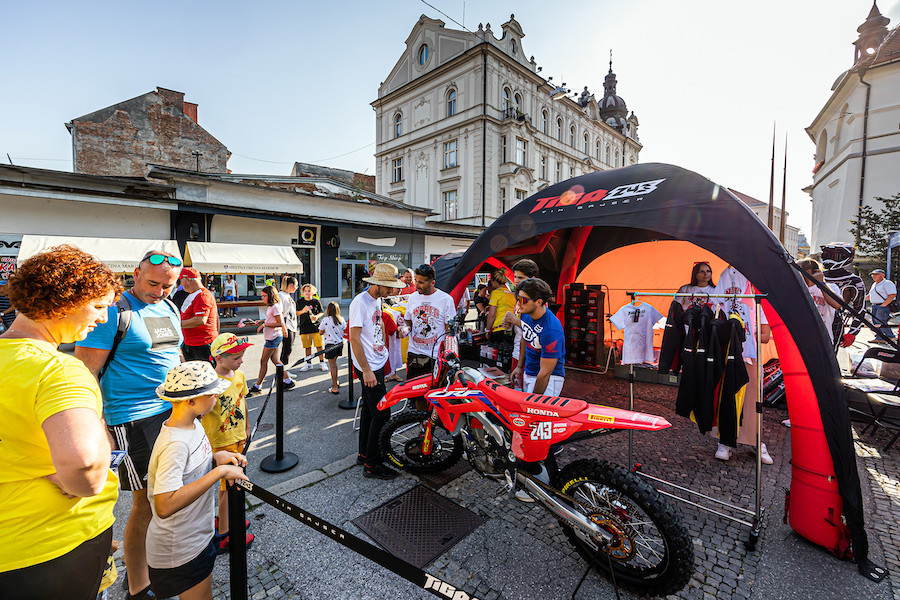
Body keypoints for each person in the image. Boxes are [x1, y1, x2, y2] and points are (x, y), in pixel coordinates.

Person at [0, 245, 120, 600]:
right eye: (98, 306)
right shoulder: (58, 370)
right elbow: (86, 467)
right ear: (65, 300)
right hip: (54, 544)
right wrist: (70, 474)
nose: (103, 318)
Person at [76, 249, 183, 600]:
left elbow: (174, 353)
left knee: (169, 494)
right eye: (153, 284)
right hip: (133, 417)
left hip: (173, 411)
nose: (160, 292)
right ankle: (138, 584)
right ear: (135, 274)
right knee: (146, 504)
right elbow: (85, 374)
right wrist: (98, 425)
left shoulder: (169, 307)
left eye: (167, 286)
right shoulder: (113, 311)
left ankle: (158, 561)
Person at [147, 361, 248, 600]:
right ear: (190, 401)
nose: (217, 397)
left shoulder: (193, 424)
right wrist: (219, 473)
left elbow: (189, 471)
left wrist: (214, 459)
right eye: (211, 394)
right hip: (181, 549)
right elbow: (164, 505)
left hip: (197, 536)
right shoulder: (175, 444)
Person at [349, 263, 405, 480]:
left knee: (370, 411)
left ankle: (364, 454)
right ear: (378, 284)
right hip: (369, 367)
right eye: (388, 287)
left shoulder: (376, 299)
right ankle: (372, 464)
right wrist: (366, 370)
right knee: (382, 413)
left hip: (376, 362)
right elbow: (354, 338)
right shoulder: (359, 302)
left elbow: (373, 328)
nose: (391, 291)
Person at [202, 333, 256, 553]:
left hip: (238, 438)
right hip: (221, 442)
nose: (241, 361)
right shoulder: (210, 381)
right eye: (236, 357)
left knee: (233, 484)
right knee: (228, 486)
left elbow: (242, 402)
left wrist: (247, 427)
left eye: (242, 356)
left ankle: (229, 518)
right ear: (219, 358)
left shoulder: (240, 375)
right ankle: (225, 533)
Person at [405, 264, 455, 409]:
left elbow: (449, 330)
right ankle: (421, 420)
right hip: (415, 354)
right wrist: (405, 329)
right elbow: (408, 320)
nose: (417, 285)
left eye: (421, 282)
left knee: (436, 395)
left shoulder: (445, 299)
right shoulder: (412, 298)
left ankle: (433, 420)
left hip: (435, 357)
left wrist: (449, 355)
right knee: (417, 396)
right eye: (416, 280)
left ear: (432, 282)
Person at [510, 278, 566, 396]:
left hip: (549, 379)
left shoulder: (551, 330)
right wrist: (519, 366)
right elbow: (525, 338)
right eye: (518, 298)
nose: (519, 303)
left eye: (523, 300)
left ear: (538, 302)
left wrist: (533, 399)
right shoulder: (526, 314)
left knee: (533, 407)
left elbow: (545, 374)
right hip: (530, 372)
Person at [248, 285, 294, 396]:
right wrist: (262, 321)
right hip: (273, 337)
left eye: (264, 296)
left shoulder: (275, 307)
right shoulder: (272, 306)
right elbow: (272, 319)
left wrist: (264, 325)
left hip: (273, 338)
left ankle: (258, 386)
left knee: (263, 361)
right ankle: (288, 381)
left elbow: (280, 323)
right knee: (276, 361)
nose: (262, 298)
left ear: (270, 295)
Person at [502, 259, 540, 378]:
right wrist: (509, 323)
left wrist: (514, 320)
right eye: (515, 277)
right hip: (517, 351)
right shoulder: (520, 297)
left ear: (532, 279)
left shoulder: (537, 299)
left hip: (530, 355)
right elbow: (520, 327)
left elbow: (536, 328)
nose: (516, 280)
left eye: (521, 278)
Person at [179, 267, 220, 363]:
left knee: (203, 370)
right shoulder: (194, 294)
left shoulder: (202, 295)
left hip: (202, 344)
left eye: (181, 280)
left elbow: (200, 320)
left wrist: (176, 324)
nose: (180, 284)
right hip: (193, 343)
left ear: (188, 280)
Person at [297, 283, 328, 372]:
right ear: (302, 292)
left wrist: (316, 317)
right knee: (307, 347)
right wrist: (303, 311)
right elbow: (296, 313)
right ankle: (308, 363)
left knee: (319, 345)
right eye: (305, 291)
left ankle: (322, 362)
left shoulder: (316, 301)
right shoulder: (299, 302)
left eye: (309, 291)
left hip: (315, 326)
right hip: (304, 326)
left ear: (313, 292)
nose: (307, 292)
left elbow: (322, 312)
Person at [319, 301, 346, 394]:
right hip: (339, 345)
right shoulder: (341, 319)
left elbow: (320, 332)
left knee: (332, 366)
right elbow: (344, 330)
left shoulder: (325, 320)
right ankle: (336, 381)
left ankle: (335, 387)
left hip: (330, 345)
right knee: (335, 364)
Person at [278, 276, 299, 382]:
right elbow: (280, 312)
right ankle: (283, 372)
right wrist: (283, 327)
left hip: (292, 325)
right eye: (296, 286)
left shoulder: (287, 295)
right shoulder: (281, 295)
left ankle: (284, 370)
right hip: (287, 326)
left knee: (288, 349)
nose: (297, 288)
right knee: (286, 349)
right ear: (291, 285)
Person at [867, 268, 897, 342]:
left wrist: (884, 305)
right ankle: (879, 338)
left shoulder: (887, 283)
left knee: (881, 322)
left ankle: (891, 337)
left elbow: (892, 294)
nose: (874, 276)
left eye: (876, 274)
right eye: (873, 275)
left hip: (882, 306)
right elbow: (870, 295)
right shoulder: (874, 284)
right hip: (874, 305)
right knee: (875, 322)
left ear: (883, 275)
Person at [485, 269, 516, 337]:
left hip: (498, 329)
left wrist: (487, 330)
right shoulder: (511, 294)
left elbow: (492, 314)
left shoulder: (495, 293)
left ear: (495, 282)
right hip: (511, 328)